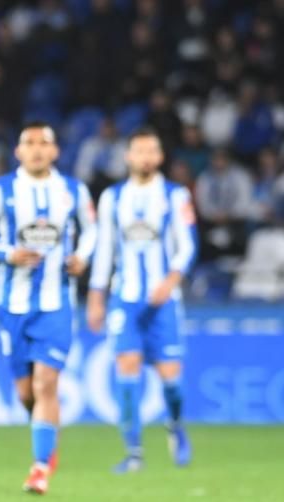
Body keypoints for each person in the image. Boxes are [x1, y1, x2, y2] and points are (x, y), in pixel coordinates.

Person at [0, 122, 97, 495]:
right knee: (26, 393)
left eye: (44, 143)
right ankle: (46, 441)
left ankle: (40, 468)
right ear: (18, 152)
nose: (37, 149)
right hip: (12, 304)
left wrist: (82, 258)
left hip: (57, 303)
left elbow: (92, 230)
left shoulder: (73, 190)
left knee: (46, 383)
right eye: (29, 143)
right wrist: (9, 254)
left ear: (55, 151)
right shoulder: (0, 191)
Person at [87, 127, 196, 473]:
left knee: (171, 383)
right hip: (126, 299)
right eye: (139, 151)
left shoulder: (175, 195)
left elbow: (188, 244)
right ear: (128, 156)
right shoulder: (112, 198)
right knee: (127, 374)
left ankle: (175, 426)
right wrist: (95, 297)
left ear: (160, 157)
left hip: (164, 301)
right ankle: (133, 452)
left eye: (152, 151)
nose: (146, 157)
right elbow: (104, 249)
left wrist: (171, 280)